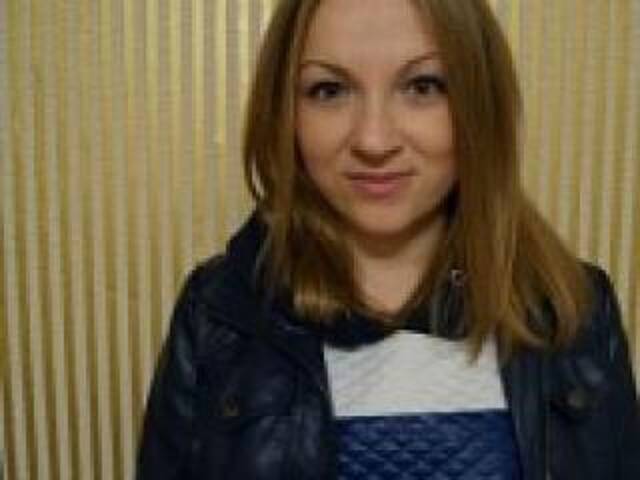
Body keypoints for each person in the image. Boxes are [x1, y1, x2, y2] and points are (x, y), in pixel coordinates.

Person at [136, 0, 640, 478]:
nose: (373, 141)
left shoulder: (574, 311)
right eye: (329, 90)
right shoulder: (218, 312)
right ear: (285, 114)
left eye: (423, 86)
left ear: (480, 105)